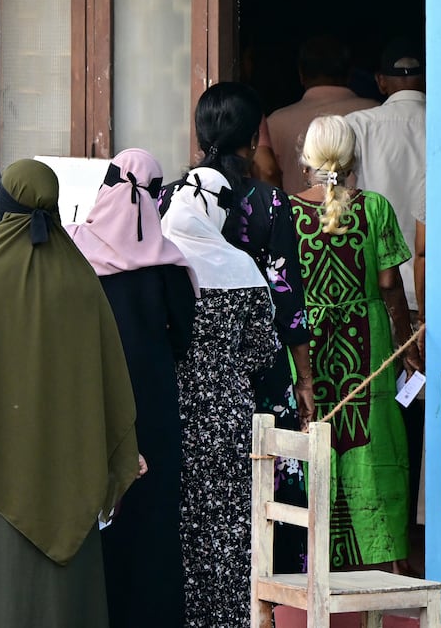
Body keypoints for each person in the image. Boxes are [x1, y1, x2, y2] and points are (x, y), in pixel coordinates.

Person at [0, 158, 143, 628]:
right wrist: (117, 457)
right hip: (67, 466)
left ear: (3, 201)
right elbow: (108, 378)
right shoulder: (80, 276)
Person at [161, 81, 315, 574]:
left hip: (181, 374)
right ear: (252, 141)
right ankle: (271, 595)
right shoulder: (269, 205)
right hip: (257, 374)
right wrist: (305, 380)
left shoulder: (166, 201)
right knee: (268, 493)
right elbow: (288, 300)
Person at [68, 148, 196, 627]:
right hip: (153, 404)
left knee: (96, 513)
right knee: (153, 520)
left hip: (89, 401)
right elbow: (182, 337)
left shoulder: (74, 249)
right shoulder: (168, 263)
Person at [289, 114, 420, 571]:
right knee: (373, 445)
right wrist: (407, 348)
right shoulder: (375, 208)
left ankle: (314, 561)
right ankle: (377, 562)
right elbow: (389, 285)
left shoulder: (287, 213)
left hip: (305, 352)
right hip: (367, 351)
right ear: (353, 161)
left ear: (306, 162)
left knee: (314, 443)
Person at [159, 167, 280, 628]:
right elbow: (261, 351)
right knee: (229, 528)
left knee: (180, 521)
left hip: (174, 408)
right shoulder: (240, 265)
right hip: (229, 410)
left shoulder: (160, 258)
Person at [345, 38, 426, 318]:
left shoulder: (359, 124)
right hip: (435, 286)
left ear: (381, 81)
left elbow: (330, 188)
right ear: (427, 78)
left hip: (378, 285)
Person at [265, 35, 378, 194]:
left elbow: (267, 172)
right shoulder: (375, 114)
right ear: (350, 73)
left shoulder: (276, 123)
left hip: (294, 217)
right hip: (364, 217)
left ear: (301, 74)